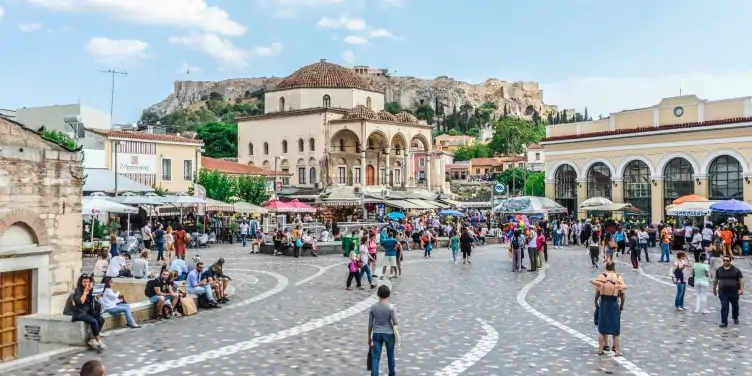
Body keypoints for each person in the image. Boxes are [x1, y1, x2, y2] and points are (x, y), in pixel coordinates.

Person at [591, 262, 627, 356]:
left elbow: (596, 291)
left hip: (604, 305)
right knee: (615, 330)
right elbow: (623, 292)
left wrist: (595, 302)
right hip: (614, 305)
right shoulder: (618, 281)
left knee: (602, 328)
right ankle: (616, 349)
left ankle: (601, 348)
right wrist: (622, 304)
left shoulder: (601, 280)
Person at [368, 285, 399, 376]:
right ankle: (392, 373)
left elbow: (370, 324)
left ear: (378, 295)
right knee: (390, 355)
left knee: (376, 357)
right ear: (388, 295)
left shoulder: (373, 307)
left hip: (377, 333)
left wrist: (369, 338)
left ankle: (374, 374)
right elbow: (395, 322)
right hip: (389, 334)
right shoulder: (391, 307)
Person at [70, 274, 105, 349]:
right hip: (80, 313)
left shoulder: (91, 289)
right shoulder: (78, 290)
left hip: (88, 311)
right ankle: (98, 340)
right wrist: (85, 292)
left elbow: (94, 300)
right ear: (81, 282)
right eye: (84, 281)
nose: (86, 283)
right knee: (94, 321)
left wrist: (97, 295)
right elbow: (80, 302)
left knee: (101, 320)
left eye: (88, 281)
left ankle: (92, 339)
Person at [713, 255, 744, 327]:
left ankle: (735, 317)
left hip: (734, 291)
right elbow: (716, 280)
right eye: (724, 260)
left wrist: (741, 289)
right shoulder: (719, 270)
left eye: (727, 260)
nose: (725, 262)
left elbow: (741, 280)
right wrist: (714, 289)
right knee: (724, 306)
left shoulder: (736, 270)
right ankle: (724, 322)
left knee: (735, 306)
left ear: (730, 261)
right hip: (723, 292)